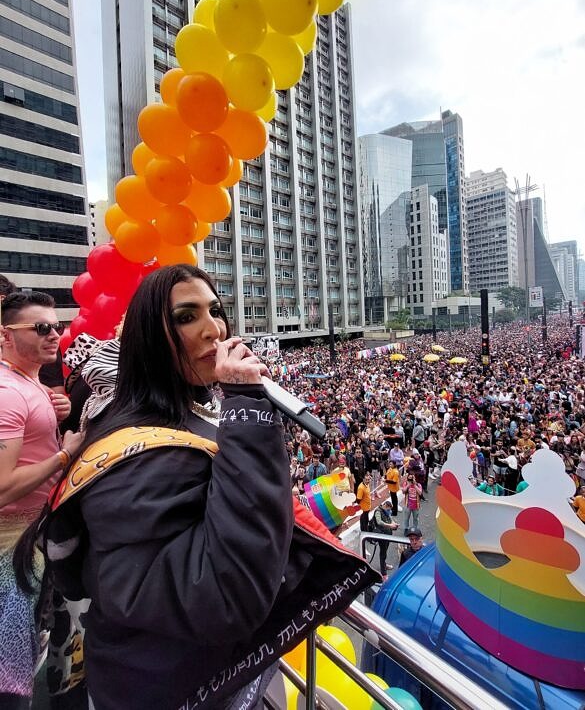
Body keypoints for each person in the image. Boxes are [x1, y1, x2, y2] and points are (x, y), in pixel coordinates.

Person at [18, 265, 376, 709]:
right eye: (186, 317)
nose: (214, 330)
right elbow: (225, 594)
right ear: (149, 339)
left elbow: (211, 515)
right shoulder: (138, 459)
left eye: (216, 311)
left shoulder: (177, 416)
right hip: (167, 689)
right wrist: (247, 408)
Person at [0, 291, 81, 707]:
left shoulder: (28, 380)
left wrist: (57, 414)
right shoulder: (7, 392)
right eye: (41, 328)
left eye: (57, 326)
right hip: (9, 553)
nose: (55, 335)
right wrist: (65, 454)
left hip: (32, 543)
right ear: (5, 336)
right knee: (9, 675)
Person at [371, 499, 399, 575]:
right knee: (383, 553)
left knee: (385, 551)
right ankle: (383, 572)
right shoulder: (378, 511)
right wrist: (390, 525)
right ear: (385, 506)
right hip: (382, 535)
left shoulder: (385, 511)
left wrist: (394, 524)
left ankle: (384, 564)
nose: (389, 511)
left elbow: (390, 518)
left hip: (387, 535)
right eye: (388, 509)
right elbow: (379, 522)